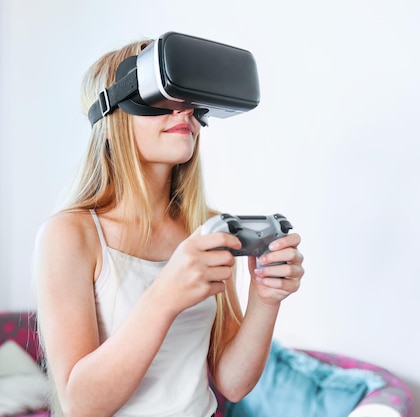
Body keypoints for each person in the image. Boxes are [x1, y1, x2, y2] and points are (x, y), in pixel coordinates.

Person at [32, 36, 305, 417]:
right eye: (160, 98)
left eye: (189, 102)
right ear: (111, 119)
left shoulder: (207, 227)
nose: (185, 112)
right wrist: (165, 296)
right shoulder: (70, 235)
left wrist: (265, 299)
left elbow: (233, 383)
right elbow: (80, 405)